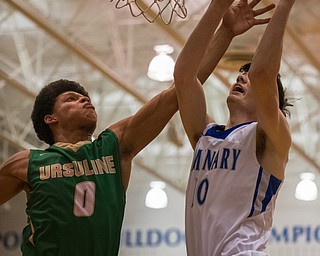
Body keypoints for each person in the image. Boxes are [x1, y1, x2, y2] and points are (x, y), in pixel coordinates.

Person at [0, 1, 275, 255]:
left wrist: (225, 32)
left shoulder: (113, 146)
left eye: (85, 96)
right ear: (50, 118)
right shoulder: (26, 164)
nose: (84, 99)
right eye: (71, 99)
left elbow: (179, 90)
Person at [174, 0, 295, 255]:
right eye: (241, 74)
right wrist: (218, 9)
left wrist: (284, 6)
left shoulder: (269, 139)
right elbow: (184, 76)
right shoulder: (205, 134)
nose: (241, 77)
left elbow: (263, 74)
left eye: (248, 78)